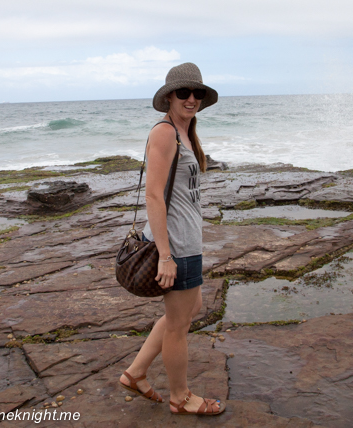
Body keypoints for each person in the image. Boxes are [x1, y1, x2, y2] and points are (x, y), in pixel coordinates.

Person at [118, 63, 225, 415]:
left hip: (186, 241)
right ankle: (180, 397)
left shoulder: (185, 134)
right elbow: (153, 196)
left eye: (196, 93)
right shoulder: (165, 133)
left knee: (188, 309)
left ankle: (135, 373)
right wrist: (165, 255)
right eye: (184, 93)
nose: (191, 99)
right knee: (178, 325)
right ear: (169, 97)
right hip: (175, 246)